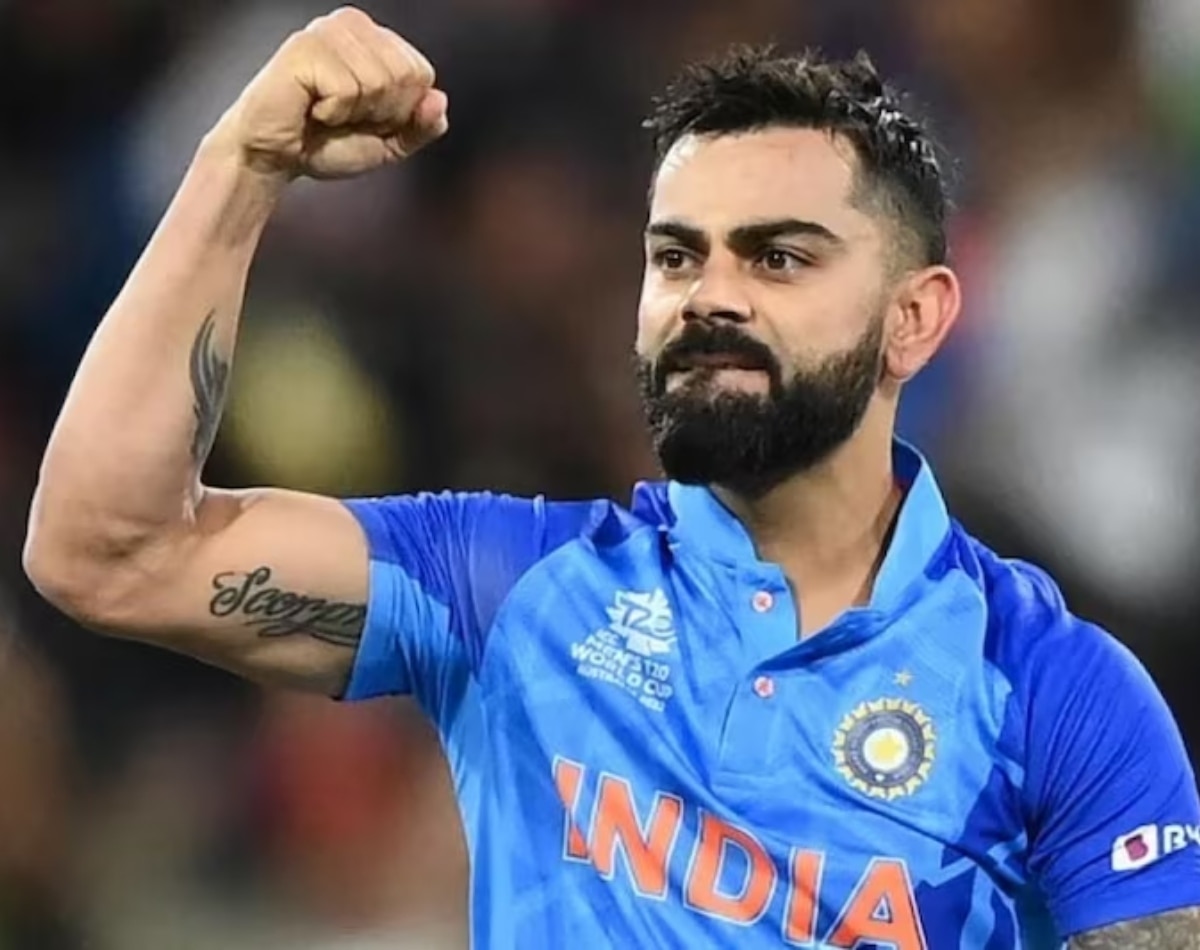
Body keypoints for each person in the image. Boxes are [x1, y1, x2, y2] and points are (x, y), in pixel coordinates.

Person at [22, 7, 1200, 947]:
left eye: (780, 257)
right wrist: (241, 165)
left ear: (915, 318)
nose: (712, 296)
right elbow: (107, 549)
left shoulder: (1056, 694)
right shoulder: (510, 587)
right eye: (677, 256)